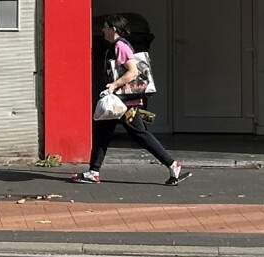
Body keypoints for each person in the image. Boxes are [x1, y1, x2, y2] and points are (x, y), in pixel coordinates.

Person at [72, 14, 191, 186]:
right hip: (119, 101)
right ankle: (93, 171)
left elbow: (133, 72)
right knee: (103, 134)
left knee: (139, 135)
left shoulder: (120, 46)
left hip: (124, 102)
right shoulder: (115, 45)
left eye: (105, 27)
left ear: (113, 29)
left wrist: (114, 85)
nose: (102, 30)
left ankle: (172, 164)